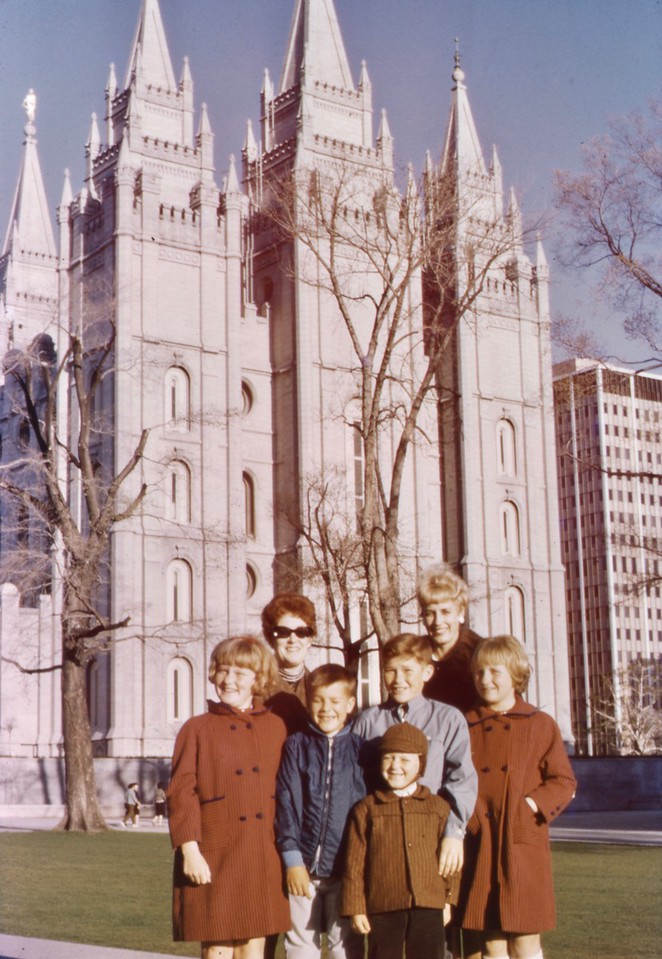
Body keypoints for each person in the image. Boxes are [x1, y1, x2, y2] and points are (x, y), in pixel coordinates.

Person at [167, 636, 291, 959]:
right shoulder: (196, 728)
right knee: (217, 948)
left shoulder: (276, 727)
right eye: (223, 670)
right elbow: (181, 793)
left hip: (261, 854)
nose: (228, 680)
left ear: (258, 679)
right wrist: (190, 851)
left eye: (240, 672)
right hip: (212, 855)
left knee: (254, 948)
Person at [455, 636, 576, 959]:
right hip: (480, 845)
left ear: (516, 674)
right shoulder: (465, 724)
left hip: (522, 845)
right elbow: (452, 782)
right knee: (491, 942)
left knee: (525, 940)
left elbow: (563, 781)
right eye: (480, 672)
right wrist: (471, 818)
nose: (486, 679)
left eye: (495, 671)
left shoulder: (539, 723)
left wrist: (528, 809)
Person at [352, 634, 477, 884]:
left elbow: (461, 780)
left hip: (430, 840)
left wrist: (454, 832)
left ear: (427, 672)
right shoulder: (368, 721)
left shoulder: (448, 719)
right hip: (380, 843)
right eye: (390, 671)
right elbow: (355, 785)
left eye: (407, 670)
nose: (398, 680)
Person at [341, 723, 456, 959]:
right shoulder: (366, 809)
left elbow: (451, 861)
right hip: (383, 903)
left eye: (405, 760)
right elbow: (354, 865)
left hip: (429, 903)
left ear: (420, 764)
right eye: (389, 758)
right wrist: (356, 908)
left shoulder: (438, 807)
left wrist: (448, 900)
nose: (395, 767)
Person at [275, 663, 365, 959]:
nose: (326, 708)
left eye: (335, 701)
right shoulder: (296, 746)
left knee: (345, 947)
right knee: (301, 945)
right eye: (318, 700)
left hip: (346, 871)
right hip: (303, 870)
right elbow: (286, 804)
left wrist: (359, 867)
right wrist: (292, 860)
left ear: (350, 704)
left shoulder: (362, 751)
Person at [418, 564, 483, 714]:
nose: (438, 621)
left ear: (460, 612)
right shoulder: (416, 653)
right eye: (430, 613)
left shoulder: (480, 652)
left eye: (446, 612)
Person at [262, 592, 317, 735]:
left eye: (302, 632)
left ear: (310, 639)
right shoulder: (256, 687)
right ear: (271, 638)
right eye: (283, 632)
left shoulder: (320, 687)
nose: (293, 639)